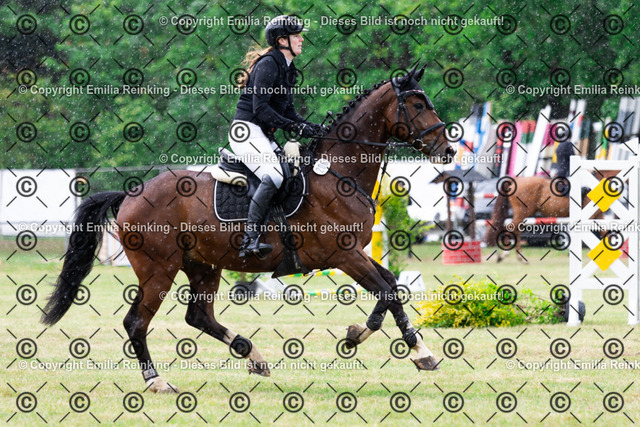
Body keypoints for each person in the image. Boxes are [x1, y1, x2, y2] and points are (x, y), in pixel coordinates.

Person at [229, 15, 325, 258]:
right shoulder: (269, 64)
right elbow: (260, 109)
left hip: (261, 134)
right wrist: (295, 127)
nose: (302, 40)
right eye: (296, 36)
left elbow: (289, 112)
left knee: (292, 172)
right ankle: (249, 240)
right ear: (282, 40)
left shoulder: (288, 68)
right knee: (273, 175)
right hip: (246, 131)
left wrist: (313, 127)